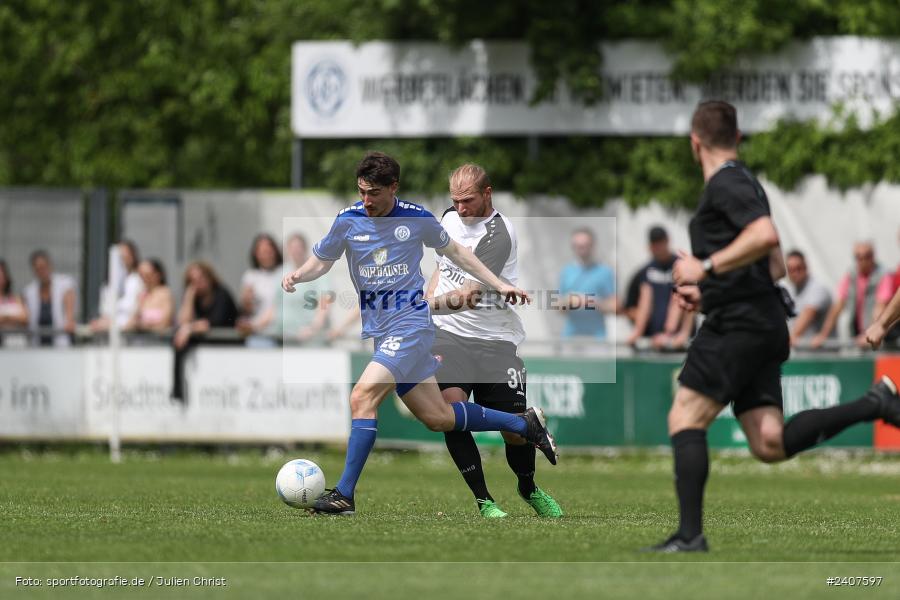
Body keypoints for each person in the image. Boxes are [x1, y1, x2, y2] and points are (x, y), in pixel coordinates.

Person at [646, 100, 900, 553]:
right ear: (738, 138)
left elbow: (766, 238)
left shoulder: (726, 182)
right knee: (769, 442)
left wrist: (704, 267)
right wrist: (709, 293)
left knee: (684, 416)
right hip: (760, 320)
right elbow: (776, 266)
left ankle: (689, 537)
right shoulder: (745, 184)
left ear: (694, 142)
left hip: (739, 324)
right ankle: (876, 401)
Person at [281, 151, 557, 515]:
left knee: (362, 397)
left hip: (411, 325)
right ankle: (523, 424)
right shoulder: (348, 220)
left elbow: (459, 255)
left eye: (374, 193)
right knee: (439, 417)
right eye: (362, 191)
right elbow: (323, 258)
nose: (366, 200)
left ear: (393, 187)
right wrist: (300, 275)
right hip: (385, 331)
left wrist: (499, 285)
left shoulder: (417, 219)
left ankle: (344, 494)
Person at [425, 163, 563, 519]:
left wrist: (417, 308)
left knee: (514, 431)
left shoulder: (499, 234)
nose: (460, 208)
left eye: (468, 200)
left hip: (495, 338)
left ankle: (528, 487)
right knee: (449, 412)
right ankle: (485, 500)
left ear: (488, 193)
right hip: (449, 335)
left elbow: (469, 295)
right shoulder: (448, 218)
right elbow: (441, 268)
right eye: (455, 201)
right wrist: (425, 312)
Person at [172, 261, 239, 399]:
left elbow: (211, 323)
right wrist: (189, 296)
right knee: (178, 339)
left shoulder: (222, 294)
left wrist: (188, 329)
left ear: (209, 277)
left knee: (183, 334)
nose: (198, 283)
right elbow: (183, 321)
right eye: (193, 281)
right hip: (209, 343)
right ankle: (177, 388)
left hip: (229, 345)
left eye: (201, 278)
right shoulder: (196, 298)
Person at [811, 242, 894, 349]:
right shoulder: (851, 275)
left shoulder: (883, 275)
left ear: (873, 256)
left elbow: (881, 306)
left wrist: (872, 333)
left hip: (880, 338)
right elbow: (838, 304)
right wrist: (823, 334)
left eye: (866, 256)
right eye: (858, 257)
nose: (863, 260)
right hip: (857, 337)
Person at [626, 226, 694, 349]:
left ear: (667, 241)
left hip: (677, 341)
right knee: (646, 293)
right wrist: (638, 331)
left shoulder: (680, 266)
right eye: (655, 244)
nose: (658, 248)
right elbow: (634, 307)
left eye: (660, 243)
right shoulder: (644, 272)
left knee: (680, 292)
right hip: (652, 341)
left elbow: (688, 300)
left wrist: (681, 334)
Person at [559, 228, 616, 339]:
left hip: (597, 338)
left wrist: (590, 302)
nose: (581, 249)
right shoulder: (566, 271)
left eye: (585, 245)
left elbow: (615, 306)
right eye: (578, 246)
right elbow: (558, 306)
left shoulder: (605, 272)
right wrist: (567, 301)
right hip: (570, 337)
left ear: (593, 245)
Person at [275, 233, 331, 343]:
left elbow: (325, 302)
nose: (296, 251)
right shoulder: (281, 272)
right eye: (292, 248)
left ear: (305, 249)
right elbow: (275, 305)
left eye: (298, 247)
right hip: (286, 338)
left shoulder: (319, 270)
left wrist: (313, 328)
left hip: (311, 339)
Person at [236, 233, 283, 346]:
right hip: (260, 335)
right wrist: (247, 301)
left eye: (269, 251)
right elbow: (247, 310)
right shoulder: (251, 276)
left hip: (282, 331)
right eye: (262, 252)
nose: (266, 255)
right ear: (255, 255)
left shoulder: (284, 272)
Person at [23, 250, 77, 347]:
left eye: (44, 267)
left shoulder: (64, 283)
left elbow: (69, 306)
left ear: (50, 266)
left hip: (60, 342)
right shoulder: (29, 291)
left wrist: (69, 319)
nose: (42, 271)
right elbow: (27, 318)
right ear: (34, 270)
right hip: (37, 344)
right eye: (38, 269)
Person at [90, 240, 145, 333]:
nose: (122, 259)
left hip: (130, 332)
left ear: (133, 256)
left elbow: (139, 310)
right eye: (119, 256)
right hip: (110, 332)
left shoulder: (139, 280)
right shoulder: (108, 285)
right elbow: (106, 312)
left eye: (125, 255)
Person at [784, 250, 832, 347]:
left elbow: (808, 314)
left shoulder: (818, 288)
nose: (795, 273)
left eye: (798, 268)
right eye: (791, 270)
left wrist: (786, 341)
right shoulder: (788, 289)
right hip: (802, 354)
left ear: (806, 267)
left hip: (822, 355)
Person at [125, 259, 174, 333]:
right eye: (141, 275)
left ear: (158, 275)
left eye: (147, 275)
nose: (144, 279)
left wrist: (144, 326)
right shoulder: (142, 295)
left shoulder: (165, 293)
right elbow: (131, 323)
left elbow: (166, 323)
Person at [0, 259, 29, 345]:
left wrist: (4, 318)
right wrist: (12, 318)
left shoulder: (16, 299)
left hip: (14, 345)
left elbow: (25, 318)